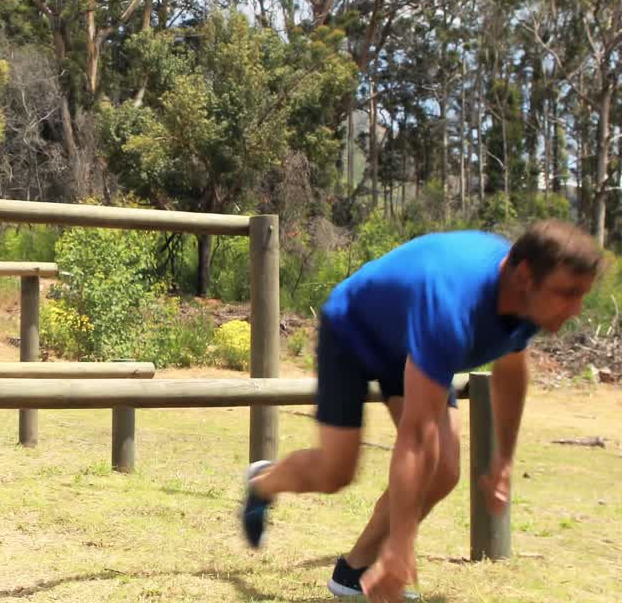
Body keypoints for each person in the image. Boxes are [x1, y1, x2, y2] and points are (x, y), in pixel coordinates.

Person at [239, 220, 602, 602]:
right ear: (526, 275)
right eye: (568, 293)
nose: (576, 308)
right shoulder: (453, 303)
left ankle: (355, 572)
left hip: (411, 337)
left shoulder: (527, 301)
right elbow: (416, 436)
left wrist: (504, 460)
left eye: (582, 295)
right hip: (353, 330)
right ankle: (263, 482)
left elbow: (511, 371)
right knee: (335, 472)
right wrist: (401, 544)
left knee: (444, 469)